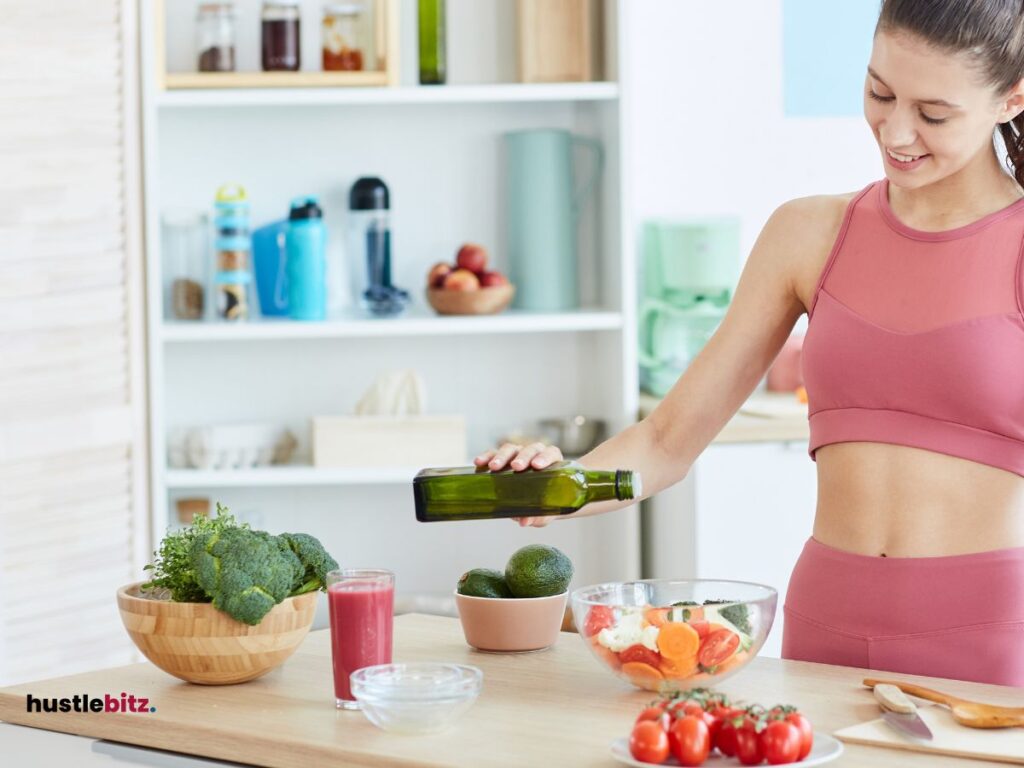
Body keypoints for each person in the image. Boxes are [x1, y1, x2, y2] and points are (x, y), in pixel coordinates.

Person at [476, 0, 1024, 688]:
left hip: (988, 640)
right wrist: (559, 487)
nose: (897, 130)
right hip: (825, 624)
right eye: (879, 92)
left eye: (934, 113)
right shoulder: (808, 233)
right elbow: (667, 441)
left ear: (1012, 97)